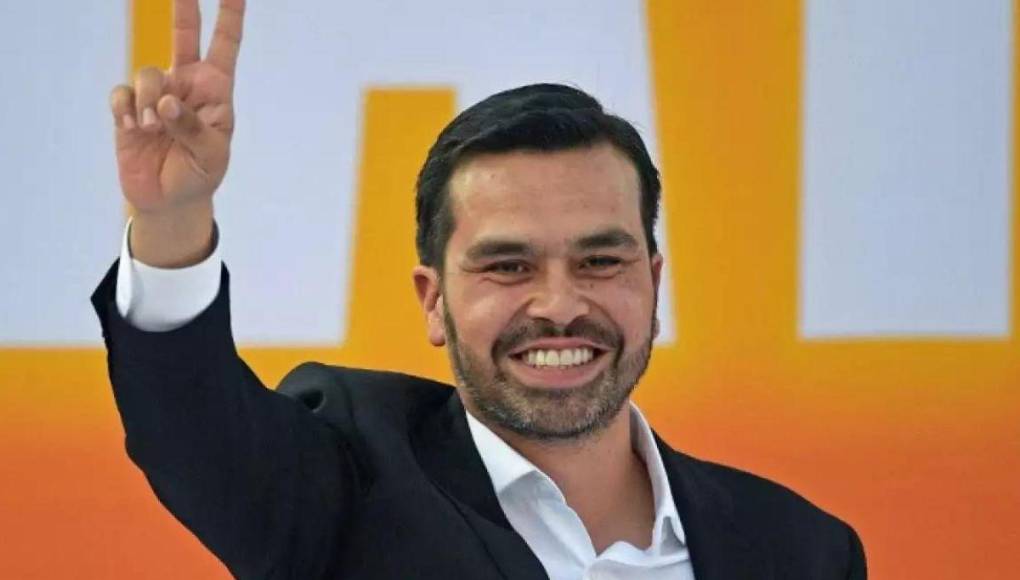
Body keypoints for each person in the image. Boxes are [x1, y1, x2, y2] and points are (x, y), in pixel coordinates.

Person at [93, 1, 866, 578]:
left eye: (601, 261)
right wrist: (173, 221)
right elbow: (194, 432)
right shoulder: (351, 486)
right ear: (433, 300)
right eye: (509, 266)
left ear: (653, 282)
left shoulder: (800, 550)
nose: (559, 305)